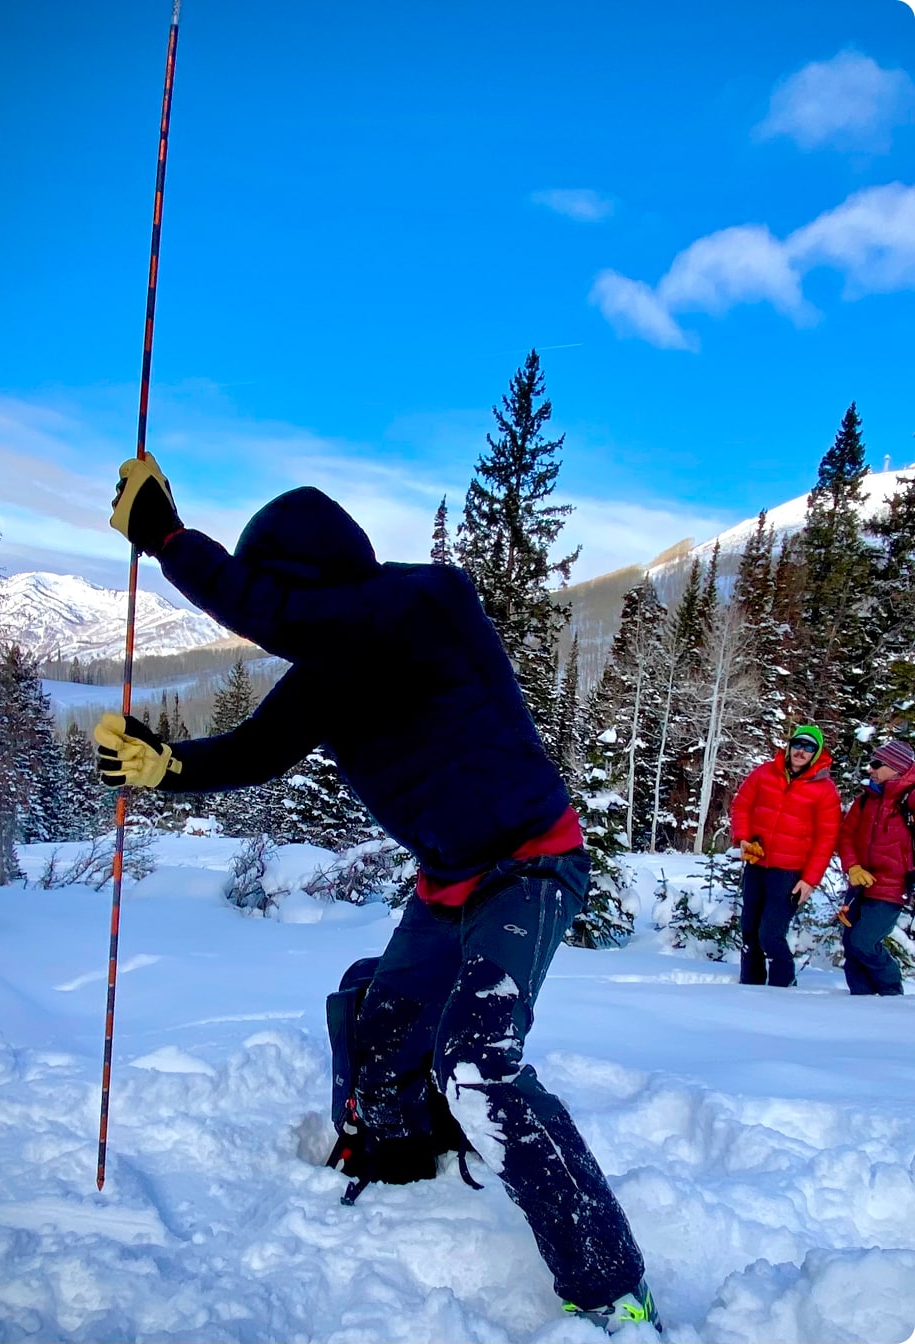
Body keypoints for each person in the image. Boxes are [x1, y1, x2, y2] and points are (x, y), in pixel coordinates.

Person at [93, 452, 659, 1334]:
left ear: (314, 584)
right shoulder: (332, 666)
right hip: (447, 886)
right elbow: (258, 750)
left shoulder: (427, 604)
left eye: (286, 599)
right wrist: (165, 766)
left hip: (532, 864)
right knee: (383, 1027)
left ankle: (610, 1283)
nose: (286, 626)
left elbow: (288, 615)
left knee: (478, 1058)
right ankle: (401, 1158)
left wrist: (171, 542)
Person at [730, 725, 841, 988]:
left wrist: (810, 880)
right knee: (749, 930)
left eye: (809, 747)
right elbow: (741, 805)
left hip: (789, 872)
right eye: (798, 745)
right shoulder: (765, 773)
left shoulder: (824, 789)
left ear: (816, 754)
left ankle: (782, 986)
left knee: (770, 934)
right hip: (758, 864)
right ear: (789, 746)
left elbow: (826, 840)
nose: (801, 751)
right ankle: (750, 985)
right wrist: (744, 838)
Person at [837, 738, 915, 997]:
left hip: (892, 887)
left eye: (877, 764)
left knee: (864, 941)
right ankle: (860, 999)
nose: (870, 769)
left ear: (896, 768)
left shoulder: (909, 800)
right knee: (850, 943)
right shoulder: (865, 800)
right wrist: (853, 867)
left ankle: (891, 994)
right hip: (859, 884)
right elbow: (846, 836)